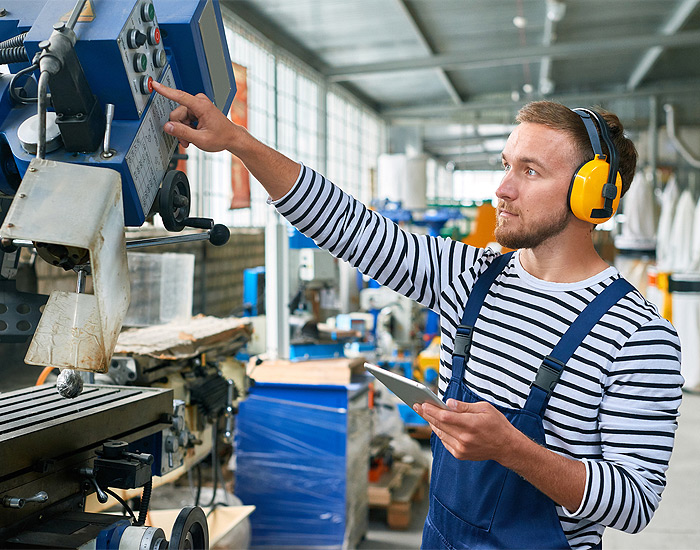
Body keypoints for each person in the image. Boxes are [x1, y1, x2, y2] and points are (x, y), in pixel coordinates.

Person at [153, 80, 683, 550]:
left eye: (530, 171)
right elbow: (352, 227)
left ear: (591, 195)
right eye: (506, 165)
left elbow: (635, 504)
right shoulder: (470, 276)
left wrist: (513, 450)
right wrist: (239, 143)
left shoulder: (639, 336)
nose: (502, 188)